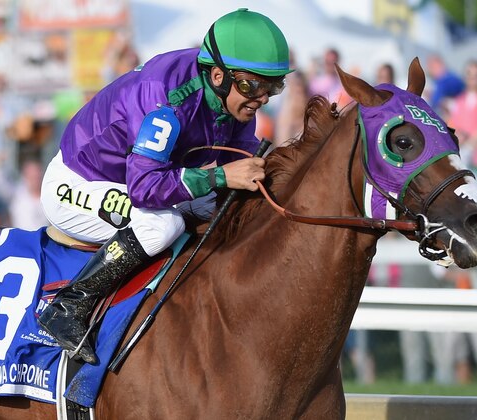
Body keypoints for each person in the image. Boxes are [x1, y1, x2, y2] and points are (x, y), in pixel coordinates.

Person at [38, 8, 294, 364]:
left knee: (222, 209)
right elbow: (144, 188)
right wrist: (220, 177)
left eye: (273, 87)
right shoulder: (168, 102)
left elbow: (238, 171)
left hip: (137, 178)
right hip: (80, 182)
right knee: (163, 225)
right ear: (218, 75)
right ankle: (69, 305)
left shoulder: (230, 100)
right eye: (252, 86)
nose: (262, 98)